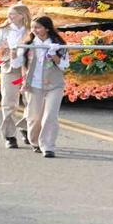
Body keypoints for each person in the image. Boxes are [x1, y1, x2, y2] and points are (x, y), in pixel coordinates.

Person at [0, 4, 34, 147]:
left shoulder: (31, 30)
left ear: (22, 15)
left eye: (13, 14)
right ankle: (10, 136)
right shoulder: (3, 30)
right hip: (9, 67)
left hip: (28, 68)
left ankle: (26, 128)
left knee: (31, 101)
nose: (9, 17)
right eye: (9, 14)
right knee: (9, 102)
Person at [20, 16, 69, 158]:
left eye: (38, 27)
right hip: (34, 86)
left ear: (47, 28)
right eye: (33, 27)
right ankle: (34, 141)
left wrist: (54, 54)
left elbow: (64, 66)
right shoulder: (28, 44)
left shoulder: (58, 44)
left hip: (54, 85)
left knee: (50, 116)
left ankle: (48, 146)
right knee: (34, 118)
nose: (34, 30)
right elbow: (19, 64)